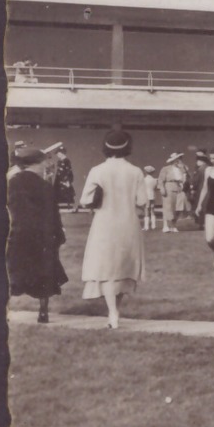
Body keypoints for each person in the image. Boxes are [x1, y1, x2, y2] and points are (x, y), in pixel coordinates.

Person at [77, 129, 147, 328]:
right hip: (128, 223)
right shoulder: (135, 171)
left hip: (104, 224)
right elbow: (142, 200)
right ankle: (115, 312)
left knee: (107, 268)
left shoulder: (97, 170)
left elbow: (84, 200)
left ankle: (112, 314)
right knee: (123, 268)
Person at [6, 144, 67, 324]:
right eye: (42, 162)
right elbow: (53, 214)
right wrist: (58, 235)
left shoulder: (10, 183)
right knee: (44, 274)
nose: (44, 166)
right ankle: (43, 312)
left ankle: (4, 311)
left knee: (11, 272)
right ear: (34, 164)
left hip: (16, 234)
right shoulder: (45, 186)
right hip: (42, 237)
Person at [157, 153, 186, 233]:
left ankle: (173, 225)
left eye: (178, 159)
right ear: (172, 161)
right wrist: (162, 188)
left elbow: (184, 177)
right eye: (176, 159)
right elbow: (160, 179)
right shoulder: (165, 169)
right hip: (169, 187)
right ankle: (166, 226)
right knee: (168, 207)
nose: (178, 161)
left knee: (179, 207)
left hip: (179, 188)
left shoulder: (180, 169)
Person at [52, 147, 76, 213]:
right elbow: (58, 173)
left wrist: (68, 181)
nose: (57, 155)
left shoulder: (66, 161)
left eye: (58, 153)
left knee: (66, 196)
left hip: (65, 182)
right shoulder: (59, 161)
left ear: (62, 153)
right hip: (59, 183)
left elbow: (69, 172)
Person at [140, 165, 159, 230]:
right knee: (152, 210)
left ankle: (146, 226)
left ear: (145, 172)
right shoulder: (155, 180)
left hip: (146, 195)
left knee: (146, 210)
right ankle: (153, 225)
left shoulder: (144, 180)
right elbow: (156, 188)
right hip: (153, 195)